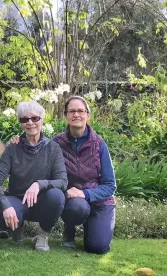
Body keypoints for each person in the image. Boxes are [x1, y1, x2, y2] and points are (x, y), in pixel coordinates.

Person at [0, 101, 67, 252]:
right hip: (18, 200)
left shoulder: (53, 148)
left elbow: (63, 182)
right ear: (21, 123)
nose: (30, 123)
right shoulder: (13, 148)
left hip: (44, 202)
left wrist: (39, 184)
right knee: (1, 217)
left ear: (42, 120)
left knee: (57, 196)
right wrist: (5, 205)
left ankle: (43, 234)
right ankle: (17, 229)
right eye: (24, 119)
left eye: (35, 118)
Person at [54, 95, 116, 254]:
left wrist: (85, 193)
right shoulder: (57, 143)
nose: (76, 115)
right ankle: (69, 229)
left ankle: (93, 226)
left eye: (81, 111)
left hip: (99, 201)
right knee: (78, 207)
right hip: (73, 203)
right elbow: (39, 156)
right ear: (66, 115)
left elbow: (110, 185)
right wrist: (19, 142)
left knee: (98, 247)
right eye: (72, 111)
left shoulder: (99, 144)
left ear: (88, 115)